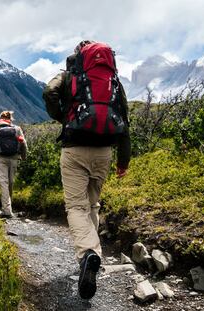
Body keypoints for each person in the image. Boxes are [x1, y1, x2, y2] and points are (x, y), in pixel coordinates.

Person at [42, 40, 131, 299]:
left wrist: (63, 117)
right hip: (104, 151)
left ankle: (88, 254)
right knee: (93, 205)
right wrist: (123, 162)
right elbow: (124, 119)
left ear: (79, 55)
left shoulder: (71, 74)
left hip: (75, 149)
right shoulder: (113, 81)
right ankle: (90, 256)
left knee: (76, 207)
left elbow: (49, 92)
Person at [0, 111, 27, 218]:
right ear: (11, 118)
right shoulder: (17, 129)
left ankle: (7, 210)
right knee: (10, 183)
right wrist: (23, 157)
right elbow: (24, 144)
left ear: (0, 118)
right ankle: (9, 207)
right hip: (14, 159)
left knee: (3, 183)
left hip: (0, 159)